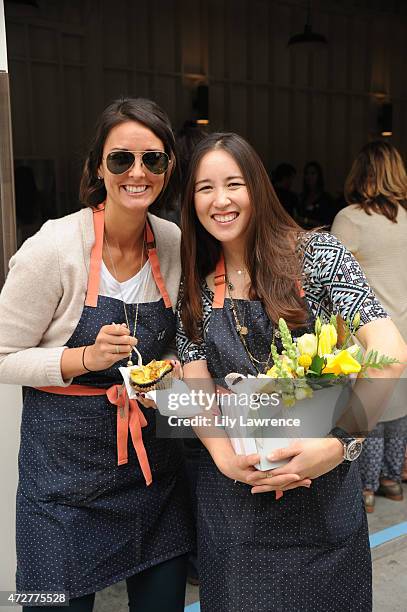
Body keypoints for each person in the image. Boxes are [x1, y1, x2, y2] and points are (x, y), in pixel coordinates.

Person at [176, 132, 407, 611]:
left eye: (233, 184)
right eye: (204, 188)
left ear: (257, 187)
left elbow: (391, 351)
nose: (220, 200)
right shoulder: (194, 282)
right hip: (234, 505)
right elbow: (193, 377)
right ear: (190, 200)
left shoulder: (319, 255)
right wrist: (221, 456)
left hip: (322, 502)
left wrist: (339, 443)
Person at [0, 98, 193, 611]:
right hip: (60, 486)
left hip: (153, 478)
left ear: (168, 168)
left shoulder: (173, 241)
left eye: (153, 159)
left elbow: (179, 342)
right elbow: (1, 355)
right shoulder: (54, 246)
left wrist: (173, 371)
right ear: (98, 168)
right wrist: (83, 359)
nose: (137, 173)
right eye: (120, 159)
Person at [331, 140, 407, 513]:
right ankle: (393, 480)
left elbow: (328, 282)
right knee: (400, 409)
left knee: (369, 409)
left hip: (370, 329)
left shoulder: (351, 219)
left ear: (361, 173)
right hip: (405, 329)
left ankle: (365, 487)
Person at [297, 160, 337, 228]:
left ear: (319, 176)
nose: (309, 176)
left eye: (313, 173)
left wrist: (306, 221)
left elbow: (327, 224)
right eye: (306, 173)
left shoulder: (326, 199)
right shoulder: (301, 197)